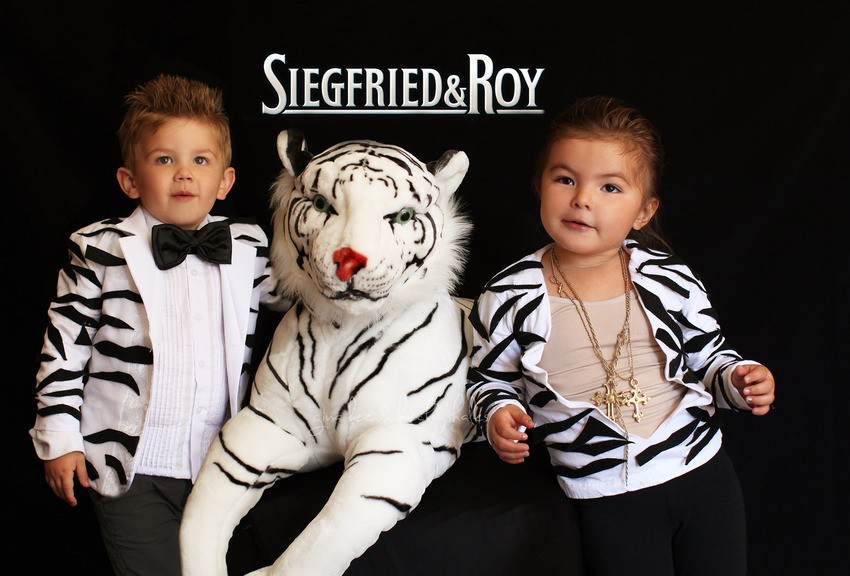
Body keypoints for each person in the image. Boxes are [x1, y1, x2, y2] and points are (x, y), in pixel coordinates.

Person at [466, 95, 776, 576]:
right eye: (565, 179)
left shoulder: (667, 277)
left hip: (701, 471)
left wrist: (738, 380)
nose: (582, 199)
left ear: (644, 211)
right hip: (605, 493)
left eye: (610, 187)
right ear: (540, 184)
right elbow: (487, 379)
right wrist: (497, 414)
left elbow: (708, 357)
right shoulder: (509, 294)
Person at [30, 73, 288, 576]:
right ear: (130, 180)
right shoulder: (100, 248)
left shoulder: (247, 245)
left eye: (200, 160)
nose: (184, 174)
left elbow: (298, 297)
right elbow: (64, 347)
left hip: (219, 467)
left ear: (225, 181)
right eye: (164, 159)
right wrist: (58, 437)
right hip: (131, 467)